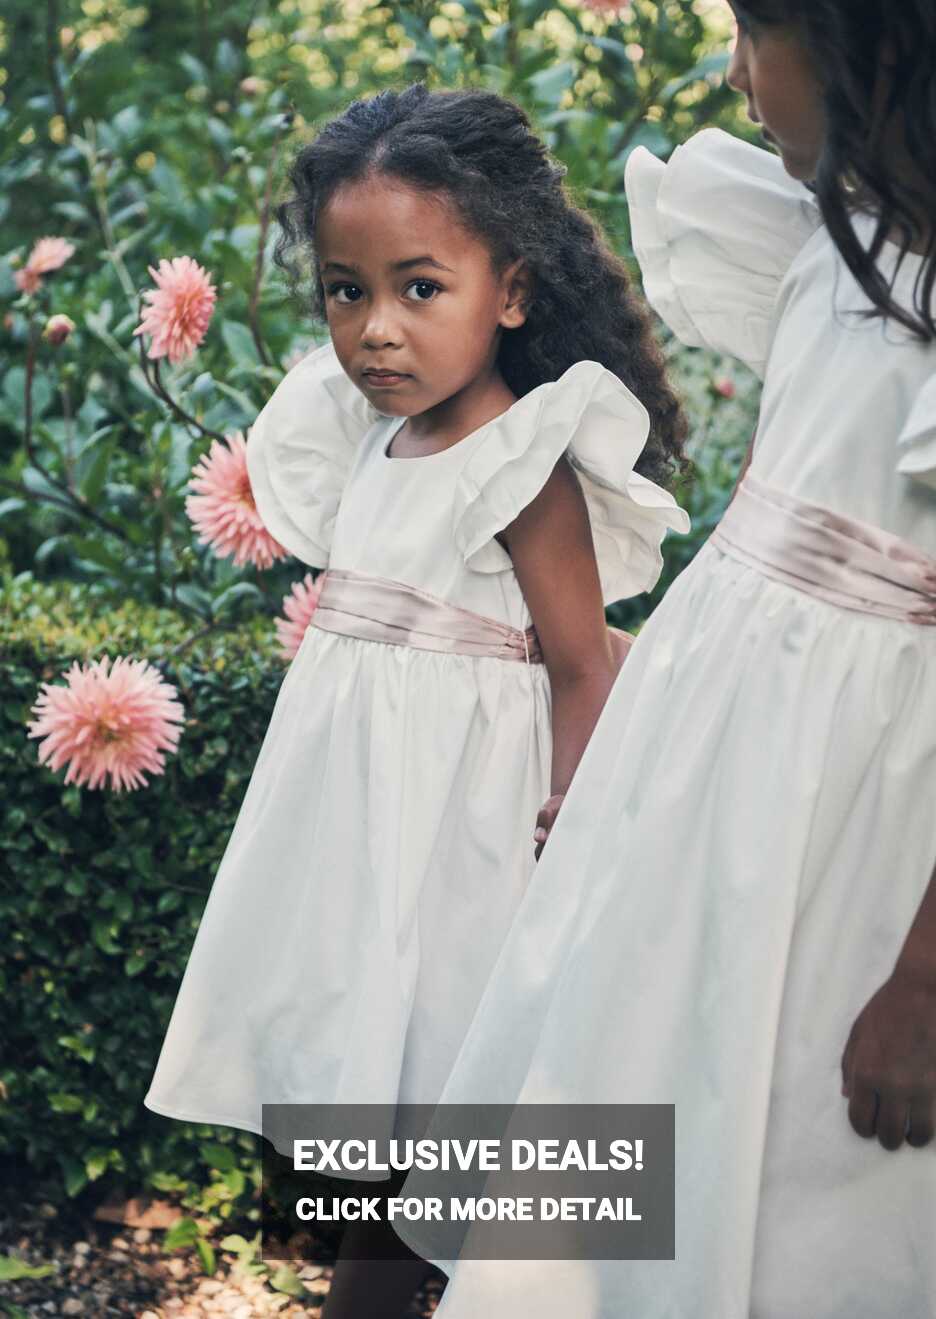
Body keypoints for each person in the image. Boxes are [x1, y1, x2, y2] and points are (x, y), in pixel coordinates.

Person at [393, 4, 936, 1317]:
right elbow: (753, 575)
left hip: (860, 826)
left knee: (794, 1176)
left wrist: (927, 971)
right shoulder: (841, 237)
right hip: (709, 795)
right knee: (622, 1094)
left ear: (873, 44)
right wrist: (640, 777)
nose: (739, 71)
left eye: (761, 31)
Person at [142, 83, 689, 1318]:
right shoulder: (367, 442)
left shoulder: (520, 455)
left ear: (512, 290)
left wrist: (572, 820)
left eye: (419, 288)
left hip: (466, 841)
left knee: (452, 1122)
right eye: (349, 289)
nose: (376, 328)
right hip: (360, 837)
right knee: (359, 1114)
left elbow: (582, 660)